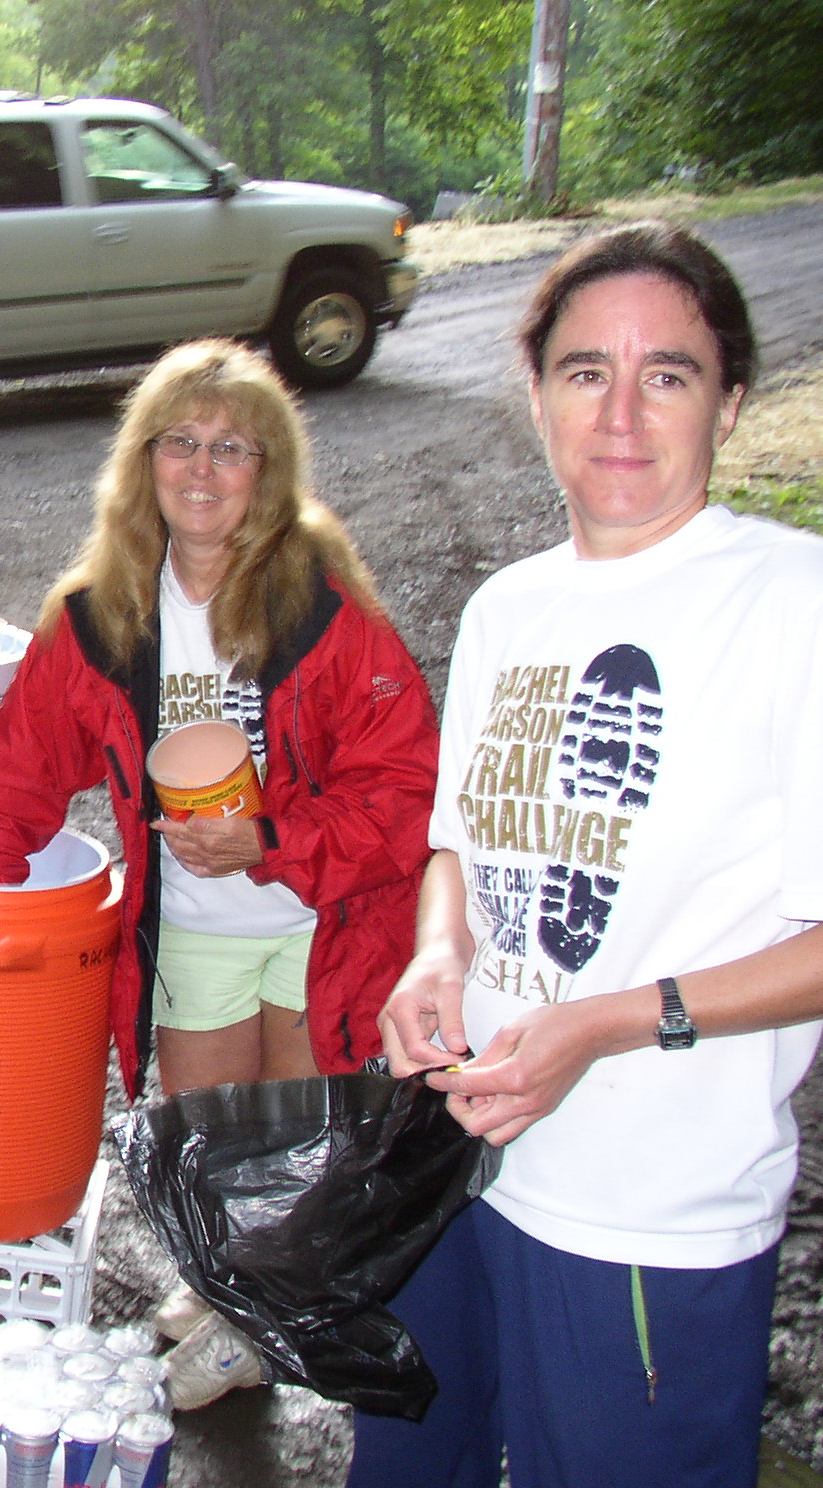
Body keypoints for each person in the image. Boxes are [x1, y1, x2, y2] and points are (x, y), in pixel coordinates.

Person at [349, 222, 823, 1488]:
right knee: (406, 1466)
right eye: (581, 371)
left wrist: (609, 1022)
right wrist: (433, 957)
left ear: (727, 404)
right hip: (458, 1162)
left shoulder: (793, 601)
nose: (620, 413)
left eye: (664, 373)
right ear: (537, 391)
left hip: (644, 1221)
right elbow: (460, 838)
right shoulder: (511, 604)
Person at [0, 338, 439, 1406]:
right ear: (144, 460)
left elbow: (404, 794)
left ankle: (252, 1327)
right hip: (193, 923)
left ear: (269, 473)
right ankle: (228, 1290)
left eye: (234, 450)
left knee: (300, 1142)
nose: (204, 471)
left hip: (321, 920)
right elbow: (25, 764)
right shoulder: (98, 613)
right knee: (211, 1135)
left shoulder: (326, 611)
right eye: (182, 443)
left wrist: (273, 842)